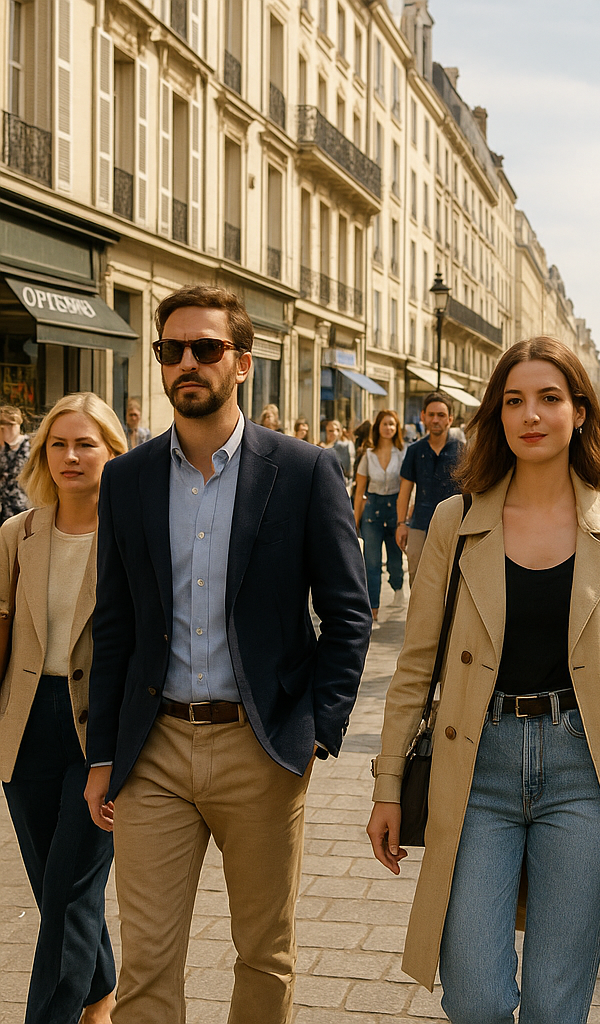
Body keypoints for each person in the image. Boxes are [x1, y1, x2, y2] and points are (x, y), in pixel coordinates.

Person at [83, 285, 372, 1024]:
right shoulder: (127, 478)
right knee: (147, 967)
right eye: (170, 349)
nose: (187, 362)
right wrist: (100, 754)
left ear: (242, 363)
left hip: (263, 747)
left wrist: (316, 729)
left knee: (264, 956)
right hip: (153, 754)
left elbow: (347, 613)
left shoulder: (305, 471)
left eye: (206, 349)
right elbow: (114, 624)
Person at [366, 336, 600, 1024]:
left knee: (553, 1005)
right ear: (497, 418)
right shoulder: (456, 520)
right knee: (474, 997)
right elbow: (415, 664)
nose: (531, 414)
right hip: (477, 766)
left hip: (584, 770)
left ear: (582, 412)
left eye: (550, 398)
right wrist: (388, 785)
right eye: (514, 401)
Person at [0, 393, 127, 1024]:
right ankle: (102, 992)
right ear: (42, 454)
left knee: (70, 890)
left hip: (97, 729)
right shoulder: (17, 534)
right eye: (58, 444)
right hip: (24, 728)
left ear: (112, 450)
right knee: (57, 892)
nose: (70, 456)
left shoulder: (134, 535)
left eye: (85, 443)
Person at [395, 392, 463, 586]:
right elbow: (405, 491)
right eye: (431, 415)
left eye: (441, 415)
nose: (435, 420)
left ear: (450, 419)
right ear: (423, 416)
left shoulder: (462, 450)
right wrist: (401, 524)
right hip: (420, 524)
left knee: (451, 583)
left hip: (454, 526)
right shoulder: (415, 450)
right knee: (417, 581)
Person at [353, 409, 405, 625]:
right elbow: (360, 489)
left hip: (395, 508)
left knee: (395, 558)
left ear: (396, 428)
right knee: (371, 562)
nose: (388, 428)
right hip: (372, 510)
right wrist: (354, 520)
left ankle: (398, 587)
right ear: (378, 427)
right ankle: (373, 608)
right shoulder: (368, 455)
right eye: (385, 424)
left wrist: (406, 513)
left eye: (392, 424)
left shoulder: (402, 454)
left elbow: (406, 487)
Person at [0, 405, 32, 523]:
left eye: (9, 424)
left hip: (23, 507)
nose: (4, 428)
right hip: (4, 509)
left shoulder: (30, 446)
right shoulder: (3, 449)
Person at [322, 419, 353, 486]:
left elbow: (348, 469)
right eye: (330, 431)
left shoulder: (344, 446)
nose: (334, 433)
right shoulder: (321, 447)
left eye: (337, 430)